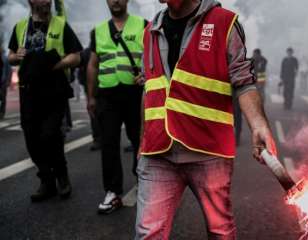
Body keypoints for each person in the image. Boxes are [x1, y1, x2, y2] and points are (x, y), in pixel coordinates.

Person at [135, 0, 278, 239]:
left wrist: (259, 125)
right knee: (148, 233)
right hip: (158, 152)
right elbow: (149, 90)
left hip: (208, 152)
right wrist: (143, 140)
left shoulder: (224, 22)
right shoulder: (150, 31)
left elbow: (244, 82)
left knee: (219, 231)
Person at [8, 0, 82, 202]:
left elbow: (76, 57)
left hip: (53, 89)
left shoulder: (60, 24)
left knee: (50, 135)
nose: (47, 1)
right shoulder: (21, 27)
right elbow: (10, 56)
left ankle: (62, 176)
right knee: (32, 138)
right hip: (29, 92)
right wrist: (16, 56)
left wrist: (54, 64)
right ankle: (46, 181)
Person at [87, 0, 147, 214]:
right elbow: (93, 64)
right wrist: (91, 97)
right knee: (109, 143)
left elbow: (154, 58)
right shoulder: (99, 31)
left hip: (135, 94)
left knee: (139, 139)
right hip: (107, 96)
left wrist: (147, 76)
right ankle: (112, 191)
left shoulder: (143, 25)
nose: (116, 1)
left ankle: (144, 182)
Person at [79, 47, 101, 151]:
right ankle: (98, 139)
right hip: (95, 88)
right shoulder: (86, 53)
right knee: (95, 114)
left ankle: (98, 139)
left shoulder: (87, 53)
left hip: (100, 87)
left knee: (95, 115)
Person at [0, 47, 12, 119]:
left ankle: (2, 112)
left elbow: (9, 71)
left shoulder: (5, 58)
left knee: (3, 98)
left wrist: (8, 81)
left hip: (3, 82)